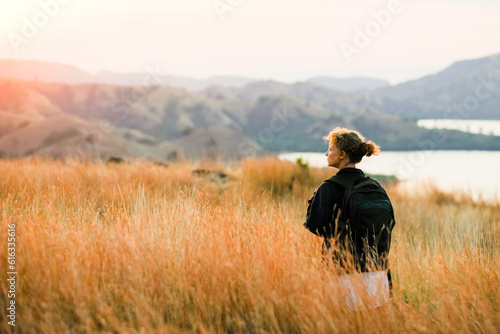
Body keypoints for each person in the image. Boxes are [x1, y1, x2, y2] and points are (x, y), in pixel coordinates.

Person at [304, 127, 396, 310]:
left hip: (344, 275)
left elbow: (314, 226)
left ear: (342, 154)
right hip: (378, 273)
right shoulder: (374, 186)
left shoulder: (328, 188)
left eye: (330, 149)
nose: (326, 153)